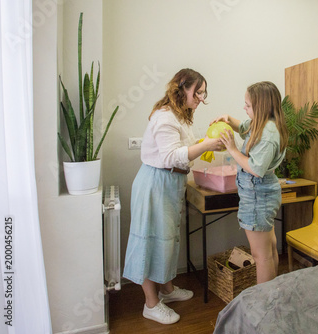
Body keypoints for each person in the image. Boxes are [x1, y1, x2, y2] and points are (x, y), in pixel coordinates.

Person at [123, 68, 223, 325]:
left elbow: (182, 150)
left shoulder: (181, 116)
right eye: (197, 92)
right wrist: (205, 145)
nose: (201, 98)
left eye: (203, 93)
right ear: (182, 89)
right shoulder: (165, 117)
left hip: (170, 182)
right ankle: (151, 303)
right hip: (155, 183)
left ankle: (166, 290)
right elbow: (170, 156)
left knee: (167, 239)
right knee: (150, 240)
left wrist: (208, 141)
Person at [213, 81, 288, 284]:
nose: (244, 108)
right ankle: (271, 296)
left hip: (258, 197)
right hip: (261, 195)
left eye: (247, 105)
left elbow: (255, 168)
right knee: (269, 249)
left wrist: (232, 149)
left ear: (261, 106)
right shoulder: (264, 123)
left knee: (261, 256)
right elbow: (243, 126)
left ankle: (263, 304)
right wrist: (229, 120)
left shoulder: (268, 134)